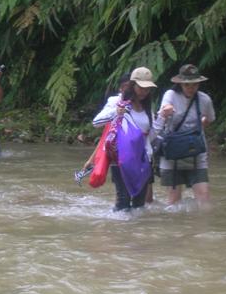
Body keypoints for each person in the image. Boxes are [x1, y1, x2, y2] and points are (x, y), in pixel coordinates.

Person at [92, 67, 157, 211]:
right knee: (123, 202)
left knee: (139, 204)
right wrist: (116, 112)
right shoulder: (118, 102)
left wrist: (163, 118)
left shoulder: (147, 107)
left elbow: (150, 136)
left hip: (143, 159)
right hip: (121, 158)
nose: (144, 92)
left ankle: (136, 226)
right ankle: (118, 225)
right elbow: (96, 122)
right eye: (141, 88)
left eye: (147, 89)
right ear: (132, 85)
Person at [153, 64, 215, 208]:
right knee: (174, 202)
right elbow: (163, 113)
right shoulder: (170, 95)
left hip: (196, 152)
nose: (191, 88)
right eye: (187, 84)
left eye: (194, 84)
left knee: (204, 198)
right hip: (172, 154)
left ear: (199, 83)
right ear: (180, 83)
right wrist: (166, 111)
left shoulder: (204, 99)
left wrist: (196, 131)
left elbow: (210, 119)